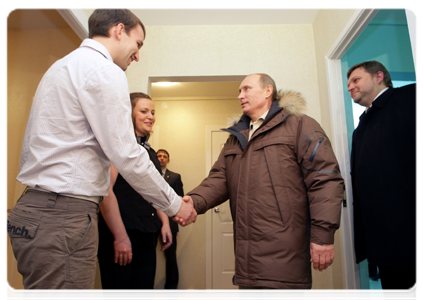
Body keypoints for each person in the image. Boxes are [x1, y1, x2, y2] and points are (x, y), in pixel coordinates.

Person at [5, 8, 195, 300]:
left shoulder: (60, 67)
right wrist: (175, 206)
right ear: (119, 30)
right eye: (138, 43)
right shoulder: (105, 70)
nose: (137, 55)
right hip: (63, 213)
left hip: (36, 209)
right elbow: (126, 154)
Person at [183, 73, 344, 300]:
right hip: (247, 257)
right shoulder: (237, 137)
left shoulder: (300, 125)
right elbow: (219, 178)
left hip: (285, 254)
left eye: (246, 89)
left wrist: (322, 236)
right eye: (239, 91)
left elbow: (325, 179)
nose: (240, 96)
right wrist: (194, 201)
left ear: (268, 91)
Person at [347, 61, 419, 300]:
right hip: (382, 239)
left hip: (412, 233)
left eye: (356, 80)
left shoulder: (410, 98)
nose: (350, 87)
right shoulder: (361, 127)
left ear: (379, 76)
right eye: (348, 83)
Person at [98, 93, 172, 299]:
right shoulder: (118, 145)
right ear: (128, 113)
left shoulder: (150, 152)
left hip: (146, 232)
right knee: (119, 292)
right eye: (144, 111)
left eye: (153, 112)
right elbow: (105, 191)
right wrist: (120, 237)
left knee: (143, 292)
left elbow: (155, 191)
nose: (150, 116)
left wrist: (164, 223)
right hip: (121, 232)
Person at [157, 149, 184, 300]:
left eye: (164, 156)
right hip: (150, 221)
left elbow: (179, 199)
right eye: (158, 156)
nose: (161, 158)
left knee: (171, 258)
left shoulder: (175, 177)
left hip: (170, 223)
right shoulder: (148, 174)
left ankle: (171, 291)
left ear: (168, 160)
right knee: (146, 257)